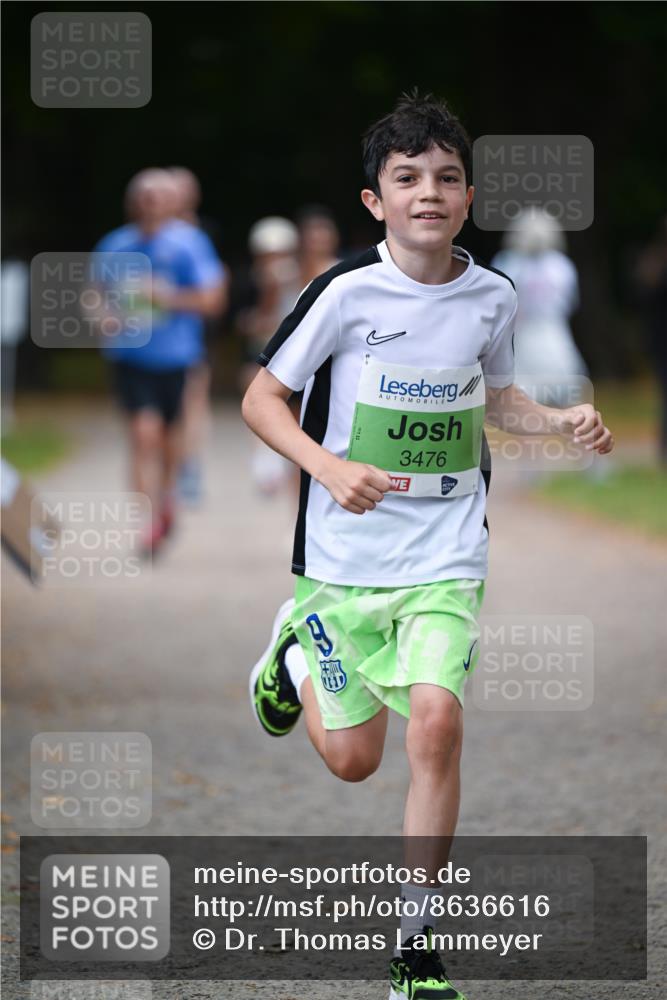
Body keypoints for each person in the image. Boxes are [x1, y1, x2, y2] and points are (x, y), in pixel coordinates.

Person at [242, 92, 614, 1000]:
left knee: (438, 724)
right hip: (343, 559)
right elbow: (260, 400)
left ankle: (416, 939)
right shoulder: (341, 292)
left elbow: (493, 399)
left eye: (446, 178)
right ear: (376, 200)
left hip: (447, 553)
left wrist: (556, 419)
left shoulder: (493, 294)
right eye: (406, 179)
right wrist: (329, 469)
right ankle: (297, 646)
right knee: (353, 758)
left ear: (468, 195)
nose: (427, 193)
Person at [94, 168, 225, 553]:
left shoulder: (189, 244)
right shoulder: (114, 246)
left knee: (169, 442)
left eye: (157, 196)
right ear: (132, 202)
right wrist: (102, 315)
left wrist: (164, 298)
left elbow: (212, 300)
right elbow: (94, 295)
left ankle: (166, 497)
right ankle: (144, 520)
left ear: (170, 203)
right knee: (142, 434)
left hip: (175, 357)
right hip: (129, 356)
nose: (149, 203)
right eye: (143, 196)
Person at [167, 166, 228, 504]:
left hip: (196, 328)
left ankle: (189, 466)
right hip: (160, 329)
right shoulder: (148, 232)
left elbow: (216, 282)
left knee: (193, 398)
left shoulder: (202, 232)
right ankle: (174, 465)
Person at [492, 207, 587, 407]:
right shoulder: (561, 265)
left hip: (536, 334)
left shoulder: (509, 262)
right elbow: (570, 304)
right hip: (541, 335)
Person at [237, 217, 302, 495]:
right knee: (255, 392)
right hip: (260, 353)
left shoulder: (304, 278)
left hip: (294, 357)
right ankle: (265, 457)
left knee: (296, 421)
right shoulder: (248, 281)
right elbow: (247, 322)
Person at [295, 204, 341, 287]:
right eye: (314, 228)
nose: (320, 235)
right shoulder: (285, 273)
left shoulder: (345, 272)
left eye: (325, 228)